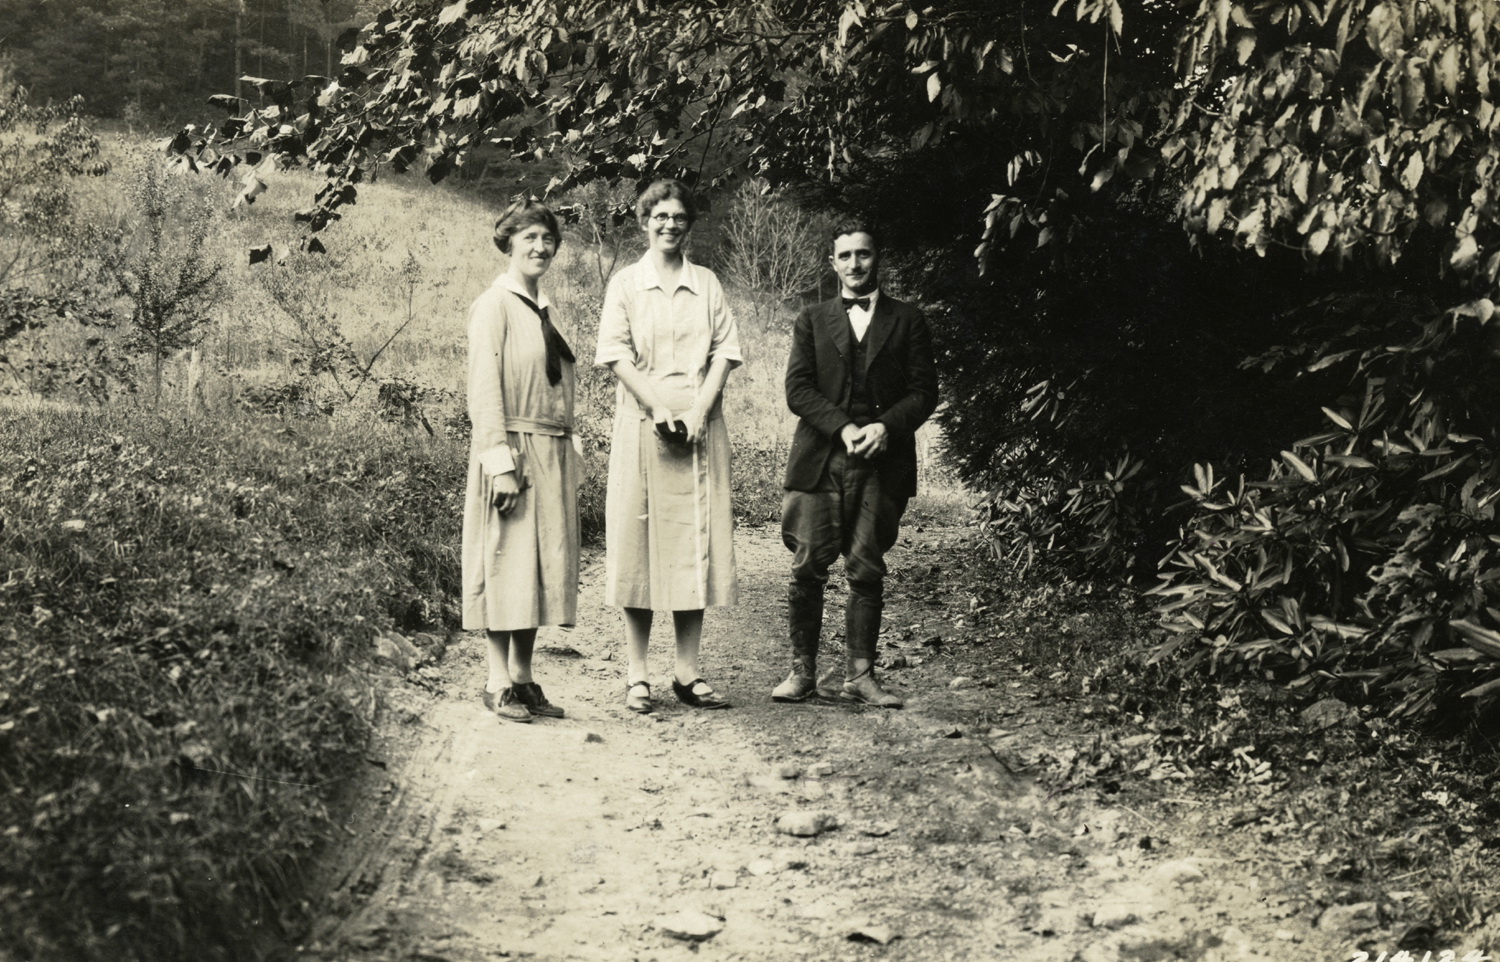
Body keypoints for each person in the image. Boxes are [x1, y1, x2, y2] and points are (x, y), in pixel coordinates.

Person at [772, 218, 939, 708]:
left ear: (876, 258)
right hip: (820, 460)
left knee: (866, 568)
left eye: (863, 254)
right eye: (845, 256)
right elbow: (798, 389)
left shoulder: (908, 319)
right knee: (807, 565)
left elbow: (924, 392)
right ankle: (802, 673)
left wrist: (885, 427)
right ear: (833, 263)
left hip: (881, 464)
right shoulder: (811, 319)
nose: (854, 264)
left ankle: (860, 677)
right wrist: (843, 428)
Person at [596, 179, 743, 714]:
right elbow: (616, 354)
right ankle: (637, 674)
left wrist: (700, 410)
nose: (670, 225)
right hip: (643, 426)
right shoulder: (627, 285)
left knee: (692, 544)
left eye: (679, 217)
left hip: (701, 429)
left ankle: (687, 670)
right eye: (660, 216)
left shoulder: (707, 283)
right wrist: (657, 407)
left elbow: (725, 351)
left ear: (688, 225)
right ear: (644, 221)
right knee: (638, 547)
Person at [461, 198, 580, 723]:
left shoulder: (544, 309)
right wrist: (500, 465)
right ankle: (496, 681)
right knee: (506, 561)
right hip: (511, 449)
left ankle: (523, 677)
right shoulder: (494, 305)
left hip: (550, 450)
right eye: (529, 237)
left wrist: (570, 446)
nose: (540, 247)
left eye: (547, 238)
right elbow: (484, 388)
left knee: (538, 566)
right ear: (508, 242)